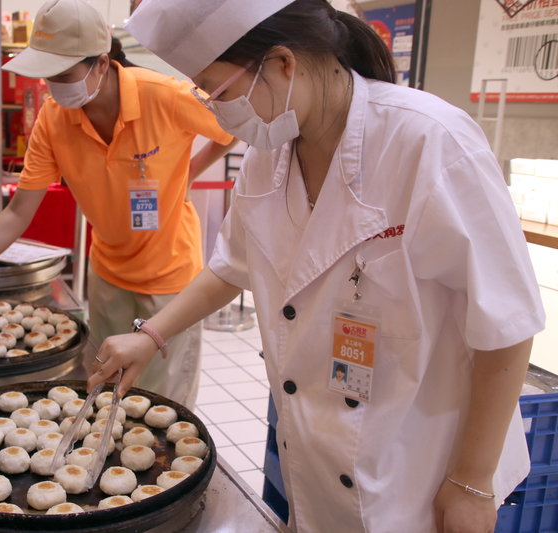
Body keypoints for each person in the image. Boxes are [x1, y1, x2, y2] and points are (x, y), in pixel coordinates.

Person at [88, 1, 546, 532]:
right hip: (317, 456)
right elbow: (231, 265)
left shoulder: (429, 141)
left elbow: (506, 325)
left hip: (419, 467)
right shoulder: (272, 151)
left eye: (219, 90)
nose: (215, 109)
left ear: (283, 62)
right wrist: (151, 335)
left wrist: (471, 481)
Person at [0, 0, 235, 409]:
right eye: (46, 74)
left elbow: (232, 128)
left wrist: (190, 170)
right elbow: (19, 211)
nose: (53, 84)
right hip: (107, 275)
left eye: (64, 73)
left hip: (169, 278)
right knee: (107, 392)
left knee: (161, 404)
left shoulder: (162, 95)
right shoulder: (54, 121)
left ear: (102, 64)